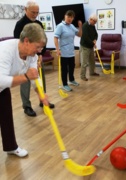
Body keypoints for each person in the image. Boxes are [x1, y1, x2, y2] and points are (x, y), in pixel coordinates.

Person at [0, 23, 49, 157]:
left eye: (41, 47)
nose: (39, 51)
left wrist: (40, 94)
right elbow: (1, 79)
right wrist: (26, 76)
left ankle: (10, 147)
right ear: (26, 41)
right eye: (37, 47)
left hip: (2, 89)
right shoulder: (6, 51)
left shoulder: (31, 55)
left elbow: (34, 76)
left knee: (6, 117)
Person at [14, 0, 54, 117]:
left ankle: (43, 100)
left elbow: (43, 39)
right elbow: (18, 42)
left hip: (36, 55)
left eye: (37, 12)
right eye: (33, 12)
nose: (35, 15)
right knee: (25, 80)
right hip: (24, 57)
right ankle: (26, 105)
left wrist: (41, 54)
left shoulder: (39, 24)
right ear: (25, 10)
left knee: (40, 78)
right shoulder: (20, 24)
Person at [54, 10, 82, 92]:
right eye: (68, 16)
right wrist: (57, 49)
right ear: (65, 16)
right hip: (63, 52)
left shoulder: (72, 26)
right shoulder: (60, 26)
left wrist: (80, 26)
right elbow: (55, 38)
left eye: (71, 17)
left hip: (71, 51)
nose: (69, 18)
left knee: (72, 66)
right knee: (64, 69)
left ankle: (71, 80)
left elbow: (80, 35)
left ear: (73, 18)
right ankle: (65, 84)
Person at [80, 14, 99, 81]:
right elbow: (85, 37)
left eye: (96, 22)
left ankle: (92, 72)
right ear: (90, 19)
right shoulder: (85, 26)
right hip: (85, 46)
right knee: (84, 62)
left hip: (91, 46)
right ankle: (82, 76)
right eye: (94, 22)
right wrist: (93, 43)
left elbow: (96, 34)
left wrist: (95, 40)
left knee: (92, 61)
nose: (95, 23)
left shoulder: (92, 26)